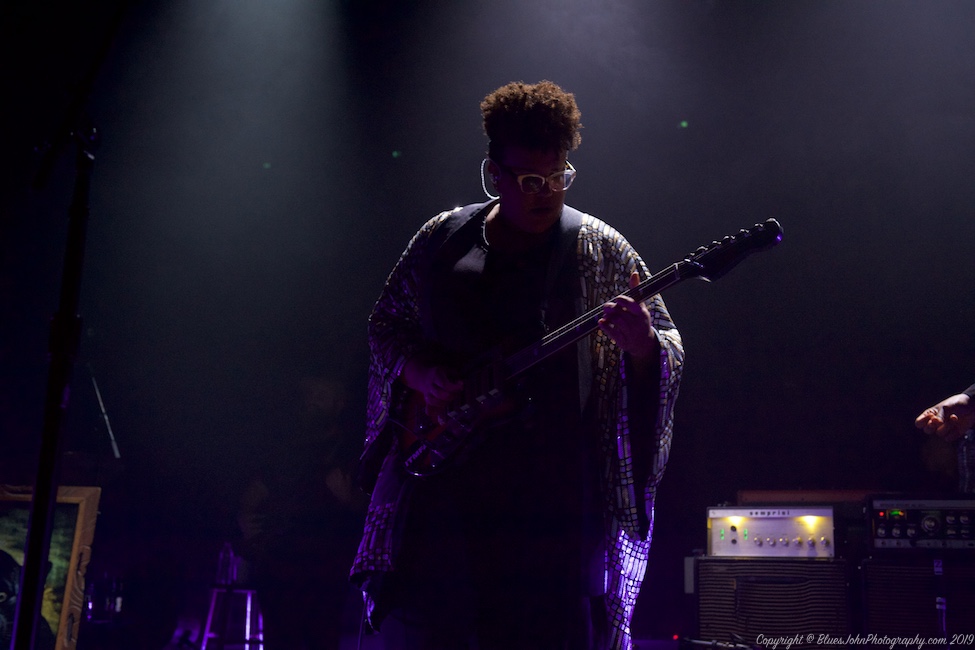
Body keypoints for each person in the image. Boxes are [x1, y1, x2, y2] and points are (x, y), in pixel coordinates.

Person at [350, 80, 683, 650]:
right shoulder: (443, 239)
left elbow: (665, 342)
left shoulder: (598, 249)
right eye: (530, 180)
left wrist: (643, 346)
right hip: (441, 501)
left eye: (559, 177)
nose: (547, 193)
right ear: (493, 174)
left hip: (550, 512)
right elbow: (385, 325)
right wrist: (419, 374)